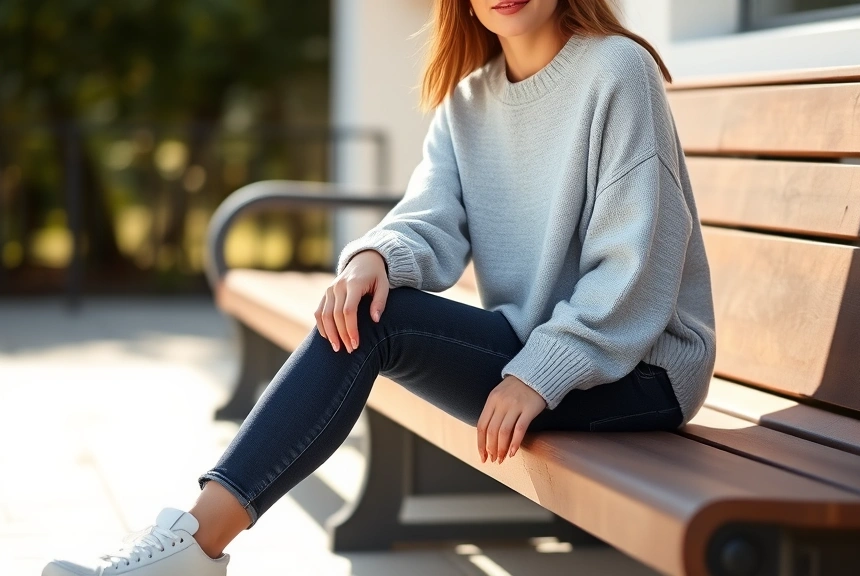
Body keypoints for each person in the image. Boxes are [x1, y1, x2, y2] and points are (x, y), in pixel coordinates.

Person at [43, 0, 715, 574]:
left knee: (376, 325)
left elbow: (638, 265)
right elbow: (429, 220)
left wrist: (539, 373)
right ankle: (194, 544)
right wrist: (374, 259)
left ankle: (195, 546)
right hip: (536, 349)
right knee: (366, 305)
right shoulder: (469, 98)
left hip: (638, 367)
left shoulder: (616, 71)